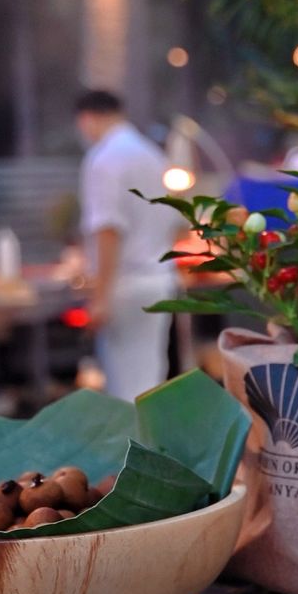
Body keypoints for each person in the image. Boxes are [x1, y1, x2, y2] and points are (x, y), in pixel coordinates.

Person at [74, 90, 183, 401]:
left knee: (125, 389)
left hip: (126, 284)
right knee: (150, 379)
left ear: (87, 119)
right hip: (160, 281)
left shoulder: (104, 159)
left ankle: (134, 449)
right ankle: (151, 446)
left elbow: (108, 229)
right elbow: (175, 220)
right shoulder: (151, 154)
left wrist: (100, 297)